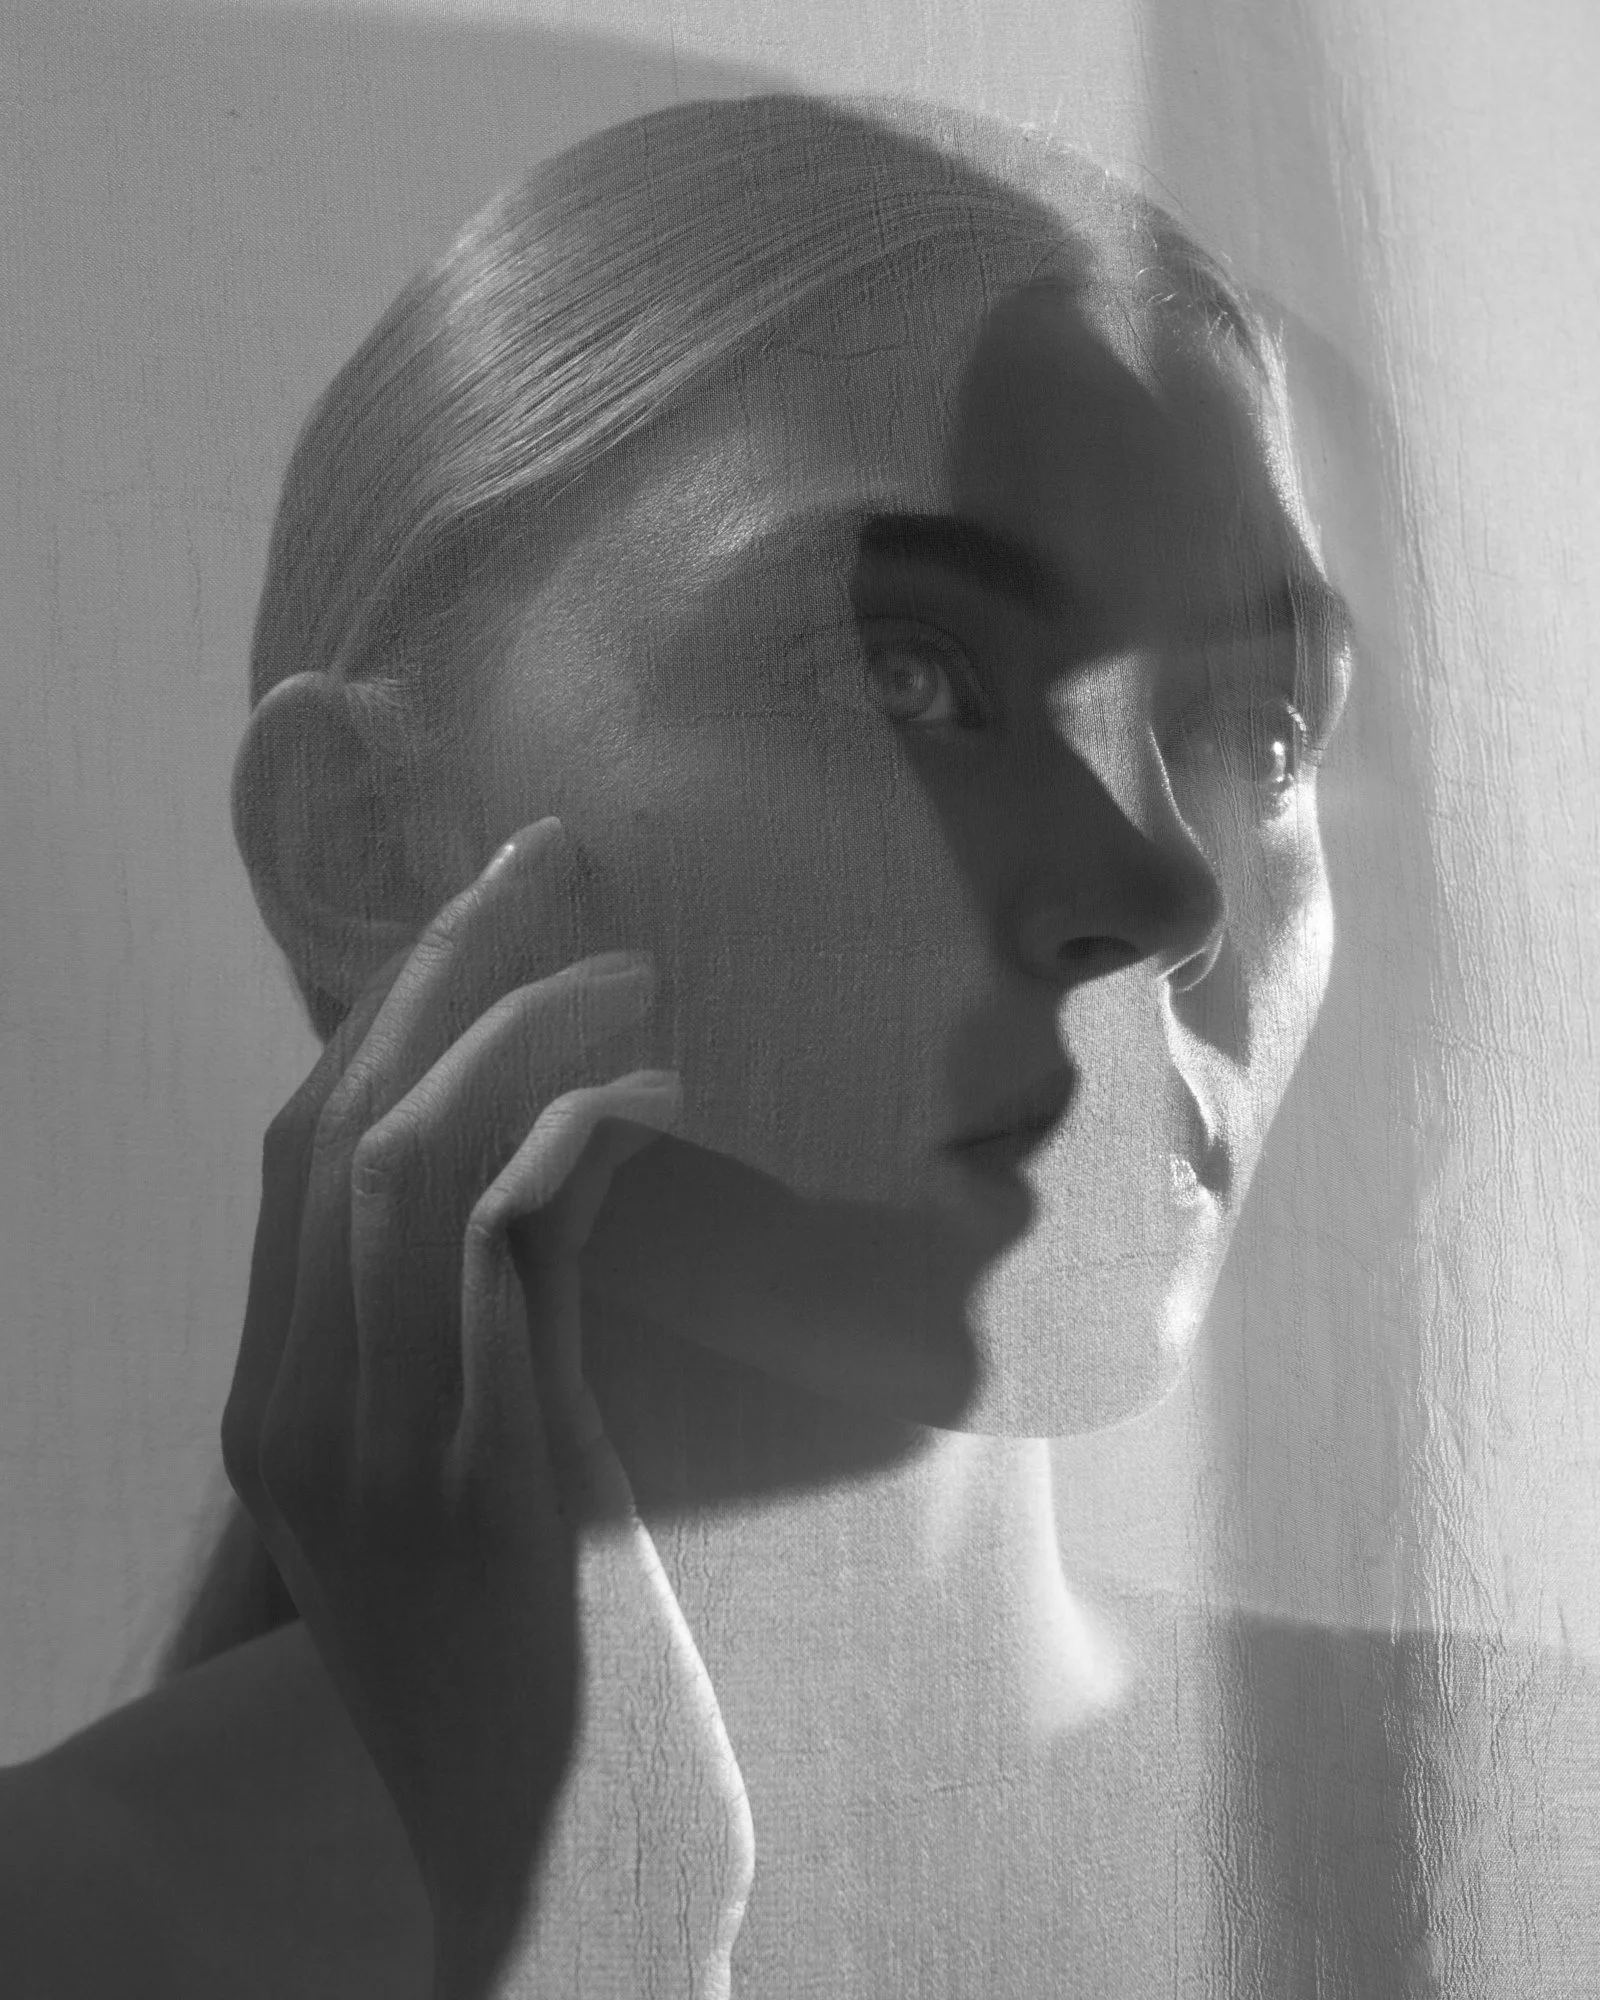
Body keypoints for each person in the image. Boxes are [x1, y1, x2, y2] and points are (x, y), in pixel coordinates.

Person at [0, 92, 1351, 1997]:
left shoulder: (1512, 1824)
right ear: (367, 839)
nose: (1166, 890)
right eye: (909, 673)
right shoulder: (67, 1933)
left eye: (1262, 735)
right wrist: (593, 1920)